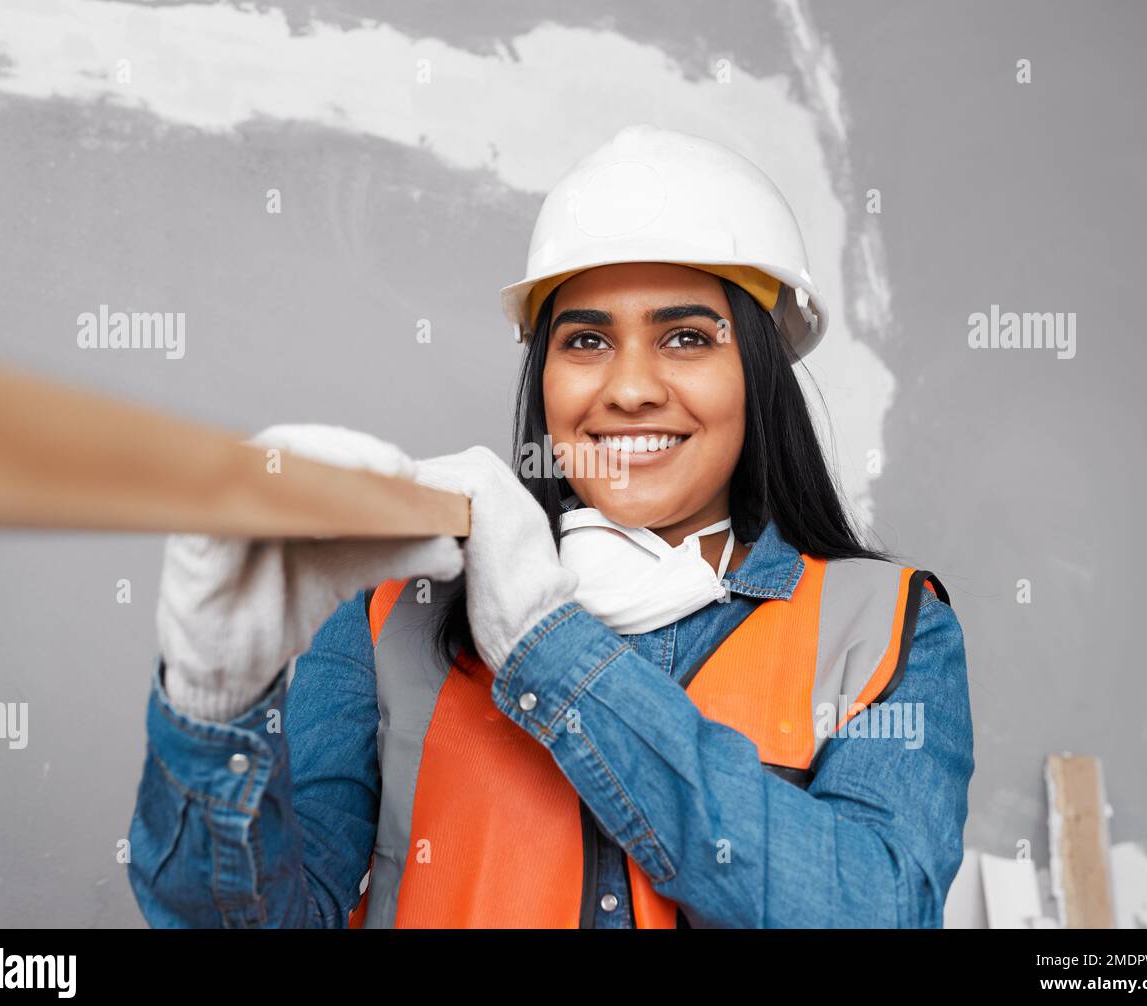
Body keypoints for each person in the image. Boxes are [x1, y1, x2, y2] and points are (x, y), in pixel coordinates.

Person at [127, 124, 973, 928]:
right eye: (586, 341)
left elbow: (877, 907)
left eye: (685, 337)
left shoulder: (886, 626)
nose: (631, 389)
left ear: (757, 374)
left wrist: (547, 645)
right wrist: (216, 707)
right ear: (545, 380)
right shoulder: (394, 612)